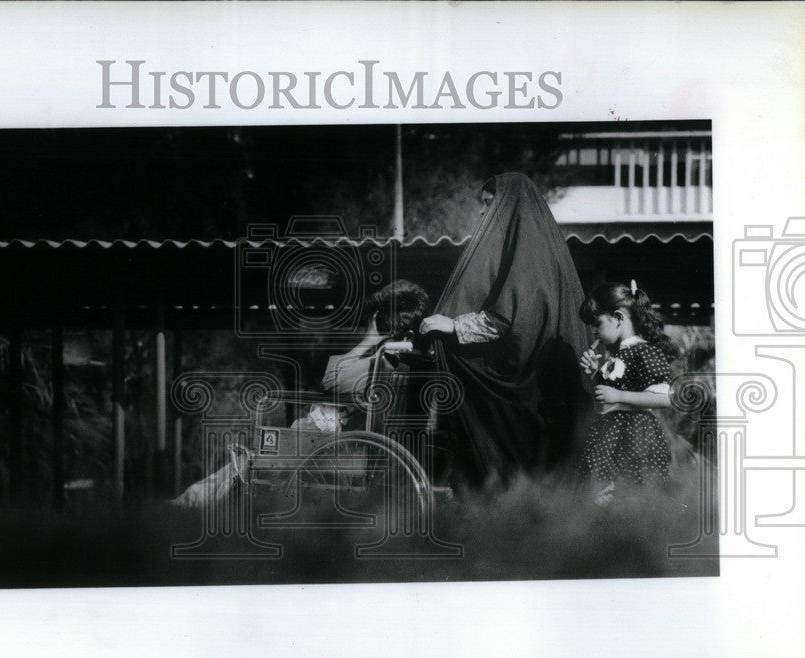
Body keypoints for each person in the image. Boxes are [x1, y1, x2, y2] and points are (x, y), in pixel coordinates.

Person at [171, 280, 430, 508]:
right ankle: (189, 502)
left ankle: (184, 506)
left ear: (401, 332)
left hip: (315, 445)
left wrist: (367, 340)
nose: (374, 328)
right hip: (328, 444)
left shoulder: (381, 362)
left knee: (237, 471)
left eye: (380, 324)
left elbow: (329, 380)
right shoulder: (404, 364)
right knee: (236, 470)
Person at [418, 173, 591, 486]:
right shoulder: (534, 248)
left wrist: (453, 325)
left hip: (532, 391)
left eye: (489, 203)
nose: (483, 213)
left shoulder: (530, 255)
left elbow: (513, 318)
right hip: (538, 387)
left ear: (511, 206)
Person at [577, 280, 676, 506]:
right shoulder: (620, 354)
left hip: (636, 436)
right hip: (610, 435)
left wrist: (619, 396)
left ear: (619, 318)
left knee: (631, 496)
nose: (593, 332)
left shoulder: (645, 351)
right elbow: (614, 391)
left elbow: (664, 397)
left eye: (597, 324)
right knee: (603, 498)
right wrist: (595, 373)